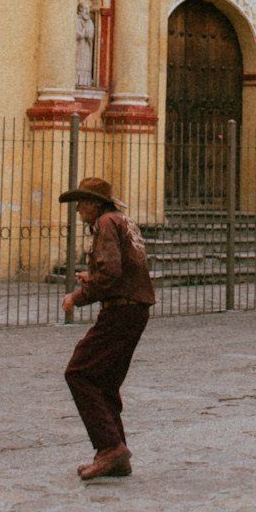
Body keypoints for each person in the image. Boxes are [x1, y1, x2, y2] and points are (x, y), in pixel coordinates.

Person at [58, 176, 155, 480]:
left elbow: (111, 271)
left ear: (95, 204)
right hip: (135, 308)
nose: (78, 210)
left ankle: (110, 447)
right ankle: (116, 454)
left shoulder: (104, 224)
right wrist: (93, 277)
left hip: (121, 311)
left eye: (82, 203)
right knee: (105, 383)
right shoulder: (121, 220)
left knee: (79, 372)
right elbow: (121, 268)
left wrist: (79, 295)